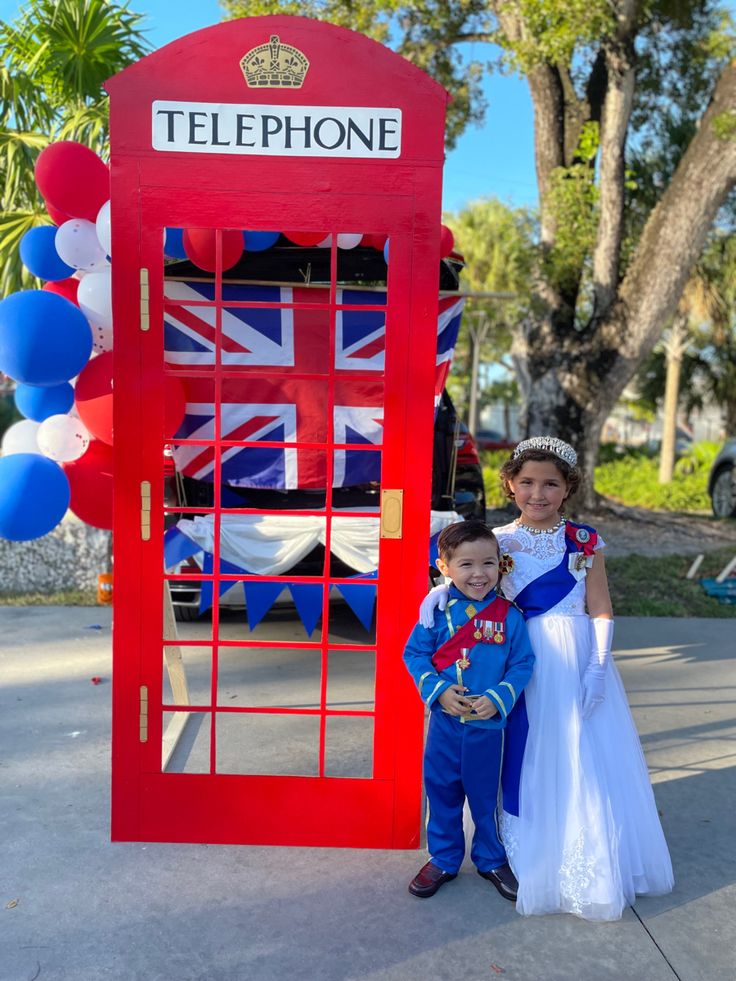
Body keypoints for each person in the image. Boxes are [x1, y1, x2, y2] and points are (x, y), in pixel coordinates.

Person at [419, 436, 674, 921]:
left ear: (568, 488)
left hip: (576, 657)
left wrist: (598, 666)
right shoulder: (498, 540)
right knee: (523, 751)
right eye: (528, 482)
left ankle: (579, 849)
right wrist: (435, 595)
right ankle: (510, 849)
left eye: (551, 484)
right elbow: (469, 581)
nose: (538, 493)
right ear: (511, 484)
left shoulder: (584, 541)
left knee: (579, 752)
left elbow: (599, 604)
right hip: (516, 660)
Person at [403, 519, 535, 901]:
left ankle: (491, 859)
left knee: (483, 797)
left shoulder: (510, 617)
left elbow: (523, 664)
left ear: (500, 565)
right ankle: (443, 858)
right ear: (444, 568)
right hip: (445, 724)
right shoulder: (435, 613)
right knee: (441, 791)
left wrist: (497, 698)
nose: (479, 574)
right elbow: (415, 655)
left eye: (488, 564)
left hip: (488, 726)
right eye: (466, 565)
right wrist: (439, 691)